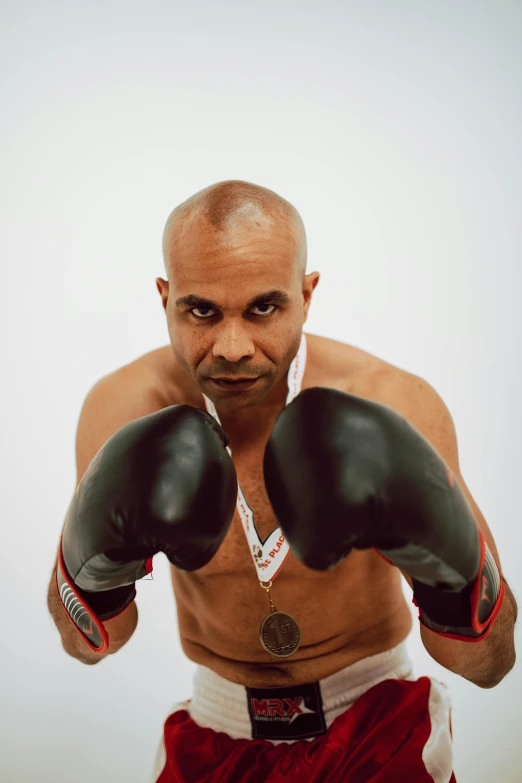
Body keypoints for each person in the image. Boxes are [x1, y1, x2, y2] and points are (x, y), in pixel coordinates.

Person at [47, 180, 517, 782]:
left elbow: (488, 664)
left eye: (264, 308)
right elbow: (93, 641)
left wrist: (451, 571)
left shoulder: (394, 402)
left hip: (379, 726)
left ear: (306, 294)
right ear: (164, 297)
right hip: (214, 737)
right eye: (201, 311)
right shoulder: (124, 409)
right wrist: (96, 577)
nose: (233, 347)